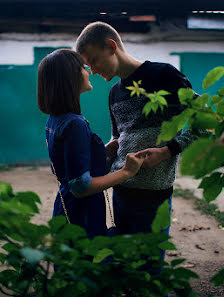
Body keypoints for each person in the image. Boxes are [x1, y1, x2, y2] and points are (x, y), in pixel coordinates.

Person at [75, 22, 196, 255]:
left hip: (153, 198)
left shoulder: (165, 75)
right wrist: (104, 157)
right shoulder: (114, 93)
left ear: (111, 46)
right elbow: (118, 137)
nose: (92, 70)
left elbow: (204, 123)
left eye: (94, 60)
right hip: (119, 194)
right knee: (120, 268)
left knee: (150, 274)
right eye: (88, 65)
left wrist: (166, 151)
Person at [37, 48, 144, 239]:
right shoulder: (74, 123)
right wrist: (127, 172)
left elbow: (69, 161)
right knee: (86, 262)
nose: (89, 70)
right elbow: (81, 186)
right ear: (71, 76)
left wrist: (104, 151)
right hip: (82, 214)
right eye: (83, 66)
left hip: (66, 206)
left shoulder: (57, 119)